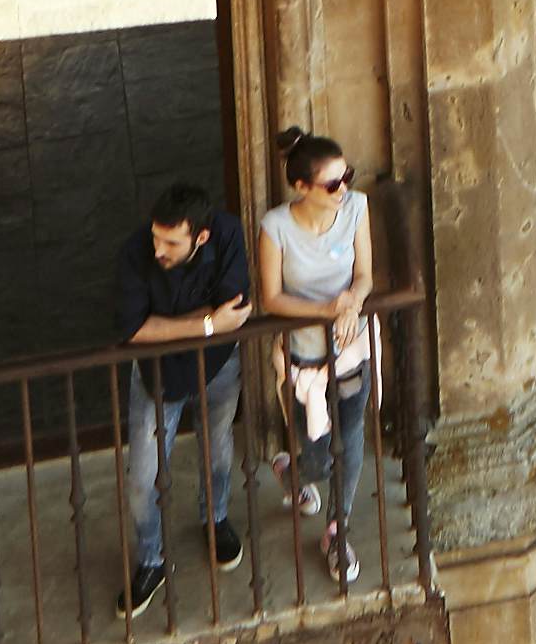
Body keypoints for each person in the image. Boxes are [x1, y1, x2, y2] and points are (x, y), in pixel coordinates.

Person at [114, 180, 251, 615]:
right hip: (159, 378)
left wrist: (169, 324)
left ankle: (215, 519)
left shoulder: (227, 232)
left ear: (201, 236)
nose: (159, 249)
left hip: (219, 366)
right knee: (142, 477)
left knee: (218, 446)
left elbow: (238, 307)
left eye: (171, 242)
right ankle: (151, 560)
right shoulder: (135, 253)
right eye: (156, 237)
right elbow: (135, 331)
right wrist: (208, 323)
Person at [256, 128, 377, 586]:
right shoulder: (276, 228)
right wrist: (323, 311)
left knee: (352, 437)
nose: (342, 189)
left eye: (345, 176)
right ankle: (293, 473)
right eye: (331, 184)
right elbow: (271, 298)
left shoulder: (357, 208)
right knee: (320, 456)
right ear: (302, 187)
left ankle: (337, 529)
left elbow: (365, 274)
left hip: (351, 347)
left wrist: (351, 302)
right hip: (305, 356)